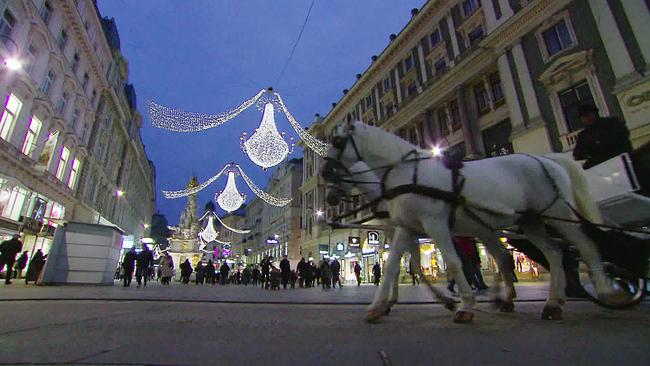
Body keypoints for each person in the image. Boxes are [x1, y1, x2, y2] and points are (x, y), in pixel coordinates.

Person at [572, 103, 633, 169]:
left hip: (620, 160)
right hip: (601, 167)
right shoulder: (583, 136)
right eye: (584, 117)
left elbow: (623, 135)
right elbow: (577, 154)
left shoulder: (611, 123)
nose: (587, 119)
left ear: (595, 114)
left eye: (589, 115)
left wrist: (599, 143)